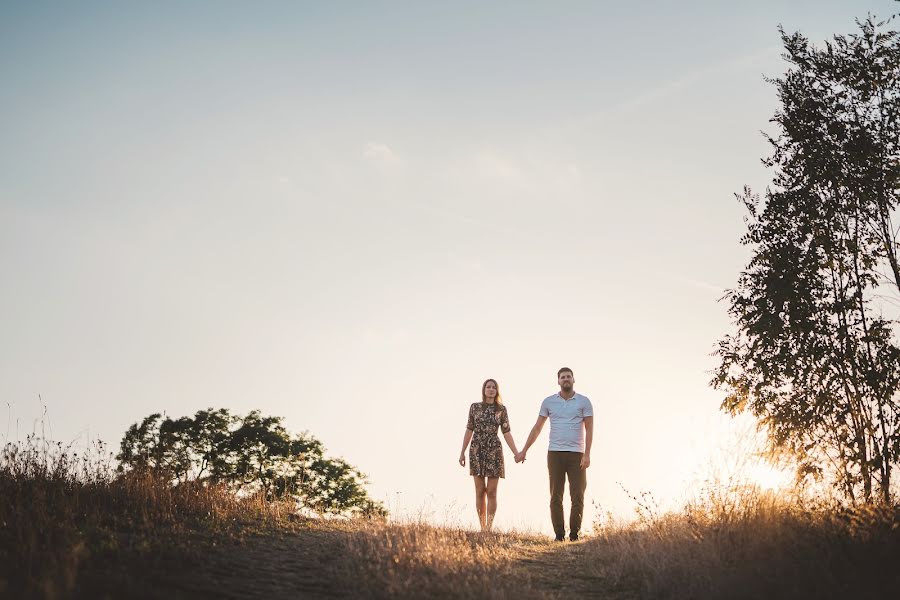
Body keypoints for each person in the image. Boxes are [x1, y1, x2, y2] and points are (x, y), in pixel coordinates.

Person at [516, 367, 594, 541]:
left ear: (574, 380)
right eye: (562, 377)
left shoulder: (584, 402)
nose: (566, 379)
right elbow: (537, 428)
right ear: (558, 381)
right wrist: (524, 450)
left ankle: (574, 535)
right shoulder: (548, 402)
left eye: (568, 376)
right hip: (555, 454)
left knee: (577, 495)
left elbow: (589, 429)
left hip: (577, 454)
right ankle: (559, 536)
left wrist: (587, 454)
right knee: (555, 496)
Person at [459, 378, 520, 532]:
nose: (491, 389)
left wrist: (516, 453)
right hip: (477, 449)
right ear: (484, 390)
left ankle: (489, 528)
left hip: (494, 451)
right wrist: (462, 452)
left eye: (494, 387)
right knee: (480, 491)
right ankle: (482, 527)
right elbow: (468, 430)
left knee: (491, 491)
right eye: (488, 387)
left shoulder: (501, 409)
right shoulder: (474, 407)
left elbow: (507, 433)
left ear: (497, 391)